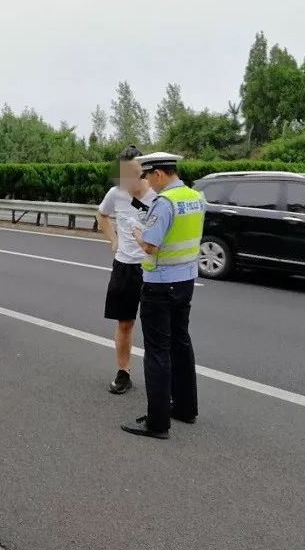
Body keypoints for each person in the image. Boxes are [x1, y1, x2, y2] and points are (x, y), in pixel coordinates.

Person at [120, 153, 206, 439]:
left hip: (160, 284)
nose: (147, 183)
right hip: (186, 281)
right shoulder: (195, 197)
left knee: (157, 352)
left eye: (148, 177)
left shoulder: (165, 202)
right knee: (181, 344)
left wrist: (135, 229)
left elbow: (150, 246)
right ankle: (185, 408)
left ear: (158, 174)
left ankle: (157, 423)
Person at [96, 146, 156, 394]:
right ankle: (124, 372)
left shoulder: (158, 194)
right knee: (125, 323)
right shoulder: (116, 193)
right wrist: (113, 240)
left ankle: (160, 377)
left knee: (156, 326)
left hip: (153, 269)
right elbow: (102, 215)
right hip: (125, 267)